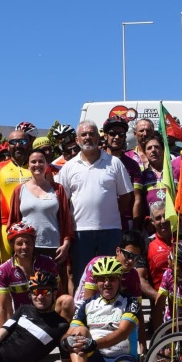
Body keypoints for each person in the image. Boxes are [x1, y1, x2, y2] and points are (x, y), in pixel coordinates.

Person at [57, 121, 135, 286]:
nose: (88, 137)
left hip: (111, 231)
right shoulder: (69, 167)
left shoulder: (114, 163)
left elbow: (126, 196)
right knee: (84, 279)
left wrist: (111, 213)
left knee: (111, 277)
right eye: (83, 135)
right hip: (80, 233)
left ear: (99, 137)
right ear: (77, 140)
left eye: (91, 133)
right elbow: (62, 201)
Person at [64, 257, 139, 362]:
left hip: (120, 356)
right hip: (93, 357)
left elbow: (123, 332)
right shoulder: (87, 304)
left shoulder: (131, 302)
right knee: (79, 330)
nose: (106, 283)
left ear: (119, 280)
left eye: (111, 279)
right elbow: (71, 331)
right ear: (96, 282)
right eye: (101, 279)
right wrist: (66, 341)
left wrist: (94, 344)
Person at [4, 145, 76, 271]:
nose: (37, 164)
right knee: (29, 286)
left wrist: (66, 244)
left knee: (54, 287)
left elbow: (66, 220)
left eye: (41, 161)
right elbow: (13, 222)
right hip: (27, 248)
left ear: (47, 164)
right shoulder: (19, 190)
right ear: (28, 165)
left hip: (53, 247)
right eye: (33, 161)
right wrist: (17, 246)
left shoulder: (58, 189)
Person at [0, 222, 70, 328]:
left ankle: (61, 337)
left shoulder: (48, 263)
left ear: (34, 242)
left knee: (67, 300)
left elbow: (60, 294)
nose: (24, 247)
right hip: (21, 319)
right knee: (5, 300)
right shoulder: (4, 269)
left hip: (46, 315)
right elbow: (1, 307)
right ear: (12, 245)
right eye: (19, 243)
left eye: (28, 242)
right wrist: (1, 336)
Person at [0, 129, 36, 262]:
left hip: (34, 224)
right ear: (8, 146)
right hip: (7, 226)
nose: (18, 145)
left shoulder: (38, 166)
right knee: (9, 269)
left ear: (29, 144)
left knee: (35, 269)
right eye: (14, 142)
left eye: (23, 141)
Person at [101, 115, 145, 230]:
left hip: (126, 222)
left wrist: (135, 228)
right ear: (105, 136)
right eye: (112, 133)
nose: (116, 137)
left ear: (125, 137)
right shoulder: (96, 161)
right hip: (102, 221)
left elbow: (137, 198)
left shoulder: (132, 165)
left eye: (121, 134)